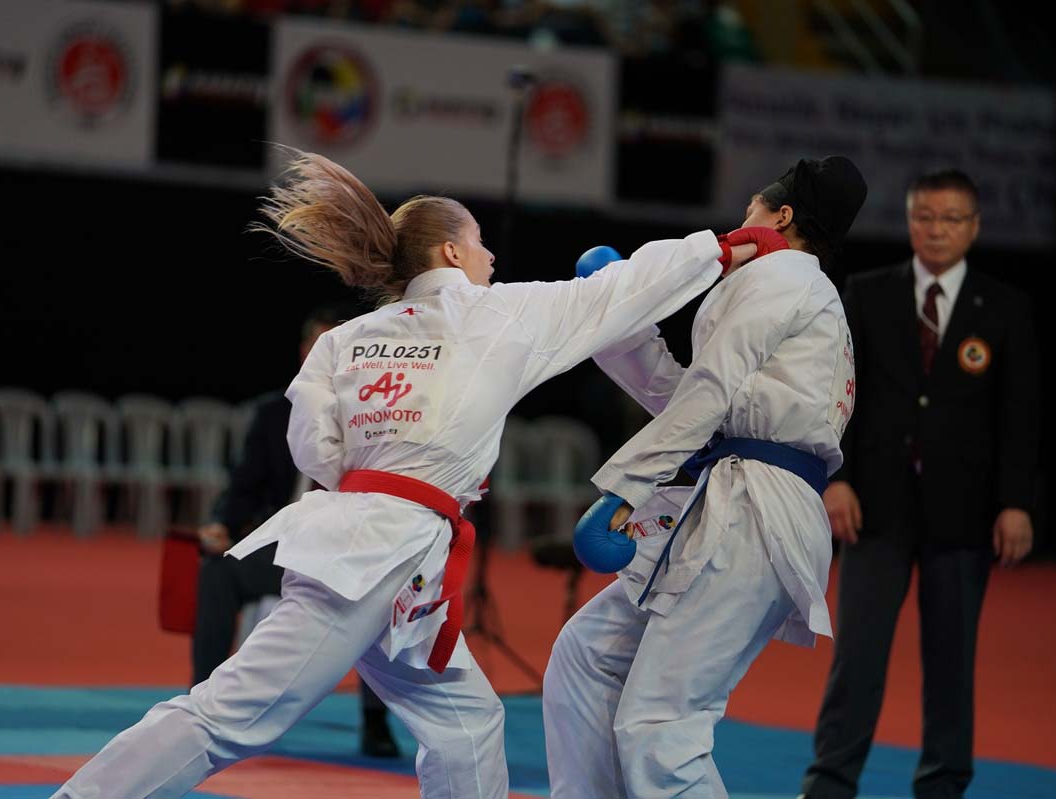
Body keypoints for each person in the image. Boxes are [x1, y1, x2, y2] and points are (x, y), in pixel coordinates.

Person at [50, 150, 764, 799]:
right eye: (479, 242)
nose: (490, 255)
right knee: (230, 713)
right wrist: (729, 246)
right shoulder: (498, 314)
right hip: (381, 550)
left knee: (466, 723)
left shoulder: (344, 338)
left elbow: (313, 450)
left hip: (373, 546)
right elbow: (626, 287)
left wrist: (387, 469)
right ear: (451, 250)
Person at [543, 155, 868, 799]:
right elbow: (696, 399)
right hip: (741, 494)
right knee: (587, 657)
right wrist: (622, 332)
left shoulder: (781, 275)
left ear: (781, 216)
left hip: (755, 508)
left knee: (662, 727)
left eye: (752, 208)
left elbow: (709, 391)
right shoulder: (803, 297)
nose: (741, 220)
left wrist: (624, 491)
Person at [798, 169, 1039, 799]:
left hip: (965, 513)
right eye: (925, 217)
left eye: (951, 219)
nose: (937, 230)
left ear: (974, 227)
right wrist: (837, 478)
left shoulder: (1005, 307)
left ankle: (943, 785)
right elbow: (837, 392)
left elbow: (1019, 416)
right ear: (909, 223)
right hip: (874, 508)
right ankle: (829, 782)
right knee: (858, 656)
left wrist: (1016, 502)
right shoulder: (866, 293)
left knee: (951, 658)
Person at [191, 306, 400, 758]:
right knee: (219, 571)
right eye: (319, 346)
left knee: (384, 590)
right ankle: (203, 703)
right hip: (287, 547)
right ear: (305, 352)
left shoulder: (381, 413)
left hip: (353, 549)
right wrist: (222, 523)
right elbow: (244, 485)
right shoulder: (273, 413)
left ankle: (376, 722)